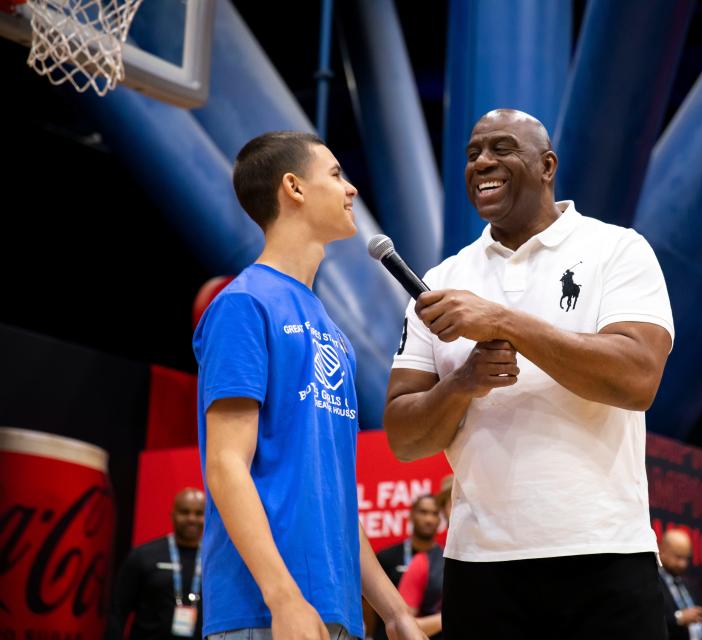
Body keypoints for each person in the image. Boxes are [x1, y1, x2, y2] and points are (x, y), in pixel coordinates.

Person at [383, 108, 675, 639]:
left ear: (546, 166)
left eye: (500, 149)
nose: (482, 163)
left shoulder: (617, 250)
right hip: (478, 568)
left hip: (605, 555)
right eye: (473, 154)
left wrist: (505, 322)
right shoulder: (442, 279)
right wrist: (462, 384)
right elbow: (403, 437)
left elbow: (638, 380)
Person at [193, 131, 425, 640]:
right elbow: (226, 464)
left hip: (333, 611)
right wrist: (284, 597)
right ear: (294, 188)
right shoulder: (243, 304)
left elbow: (333, 500)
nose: (352, 190)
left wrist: (395, 612)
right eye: (337, 174)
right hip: (266, 612)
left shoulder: (328, 326)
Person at [106, 488, 206, 640]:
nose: (191, 519)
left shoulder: (214, 562)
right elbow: (118, 611)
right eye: (184, 512)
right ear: (172, 515)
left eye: (199, 513)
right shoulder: (143, 555)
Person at [369, 495, 443, 640]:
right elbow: (368, 605)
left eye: (434, 514)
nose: (429, 519)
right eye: (423, 512)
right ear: (411, 515)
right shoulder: (386, 557)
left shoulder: (445, 560)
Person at [659, 529, 702, 640]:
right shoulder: (652, 583)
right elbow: (647, 621)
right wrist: (679, 618)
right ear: (662, 550)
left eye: (686, 558)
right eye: (678, 557)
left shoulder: (687, 584)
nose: (683, 564)